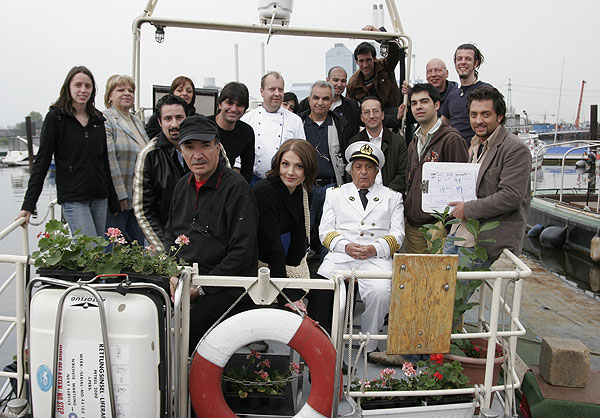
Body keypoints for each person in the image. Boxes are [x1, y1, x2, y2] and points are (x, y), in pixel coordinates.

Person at [165, 114, 259, 354]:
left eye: (205, 146)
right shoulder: (182, 185)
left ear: (218, 148)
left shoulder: (237, 189)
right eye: (189, 147)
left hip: (226, 285)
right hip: (186, 280)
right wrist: (172, 275)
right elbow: (170, 236)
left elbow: (242, 254)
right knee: (148, 310)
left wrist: (200, 289)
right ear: (181, 151)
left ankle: (190, 375)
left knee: (191, 327)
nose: (197, 155)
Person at [318, 141, 405, 355]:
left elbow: (398, 235)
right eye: (358, 167)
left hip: (375, 258)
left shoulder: (392, 197)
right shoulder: (335, 194)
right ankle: (324, 342)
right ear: (351, 170)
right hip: (341, 256)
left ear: (377, 171)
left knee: (381, 293)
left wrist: (374, 249)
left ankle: (369, 345)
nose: (363, 172)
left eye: (369, 167)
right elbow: (325, 231)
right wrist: (346, 246)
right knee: (322, 288)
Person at [17, 66, 114, 237]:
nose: (83, 90)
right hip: (74, 196)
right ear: (68, 87)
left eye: (88, 86)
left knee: (99, 248)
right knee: (89, 247)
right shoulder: (56, 117)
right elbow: (42, 162)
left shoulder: (98, 119)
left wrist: (113, 199)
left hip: (99, 195)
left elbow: (104, 161)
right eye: (78, 85)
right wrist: (28, 204)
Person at [445, 86, 531, 268]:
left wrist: (467, 209)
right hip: (457, 234)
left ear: (499, 116)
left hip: (483, 244)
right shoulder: (475, 145)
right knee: (443, 285)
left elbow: (511, 196)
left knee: (461, 288)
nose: (478, 120)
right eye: (473, 114)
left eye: (485, 114)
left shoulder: (515, 148)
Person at [253, 140, 318, 311]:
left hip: (282, 266)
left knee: (323, 293)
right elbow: (272, 245)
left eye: (299, 166)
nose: (290, 172)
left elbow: (299, 236)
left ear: (308, 169)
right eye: (285, 164)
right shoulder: (264, 192)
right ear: (278, 164)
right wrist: (284, 294)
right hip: (257, 265)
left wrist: (296, 280)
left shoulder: (302, 190)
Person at [404, 83, 468, 253]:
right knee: (415, 269)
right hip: (413, 225)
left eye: (424, 101)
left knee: (439, 269)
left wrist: (445, 224)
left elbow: (462, 186)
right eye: (414, 103)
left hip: (438, 226)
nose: (418, 107)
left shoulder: (451, 139)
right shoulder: (414, 141)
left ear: (437, 105)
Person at [299, 80, 352, 259]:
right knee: (304, 229)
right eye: (316, 98)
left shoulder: (341, 124)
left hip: (332, 186)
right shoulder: (299, 123)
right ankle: (301, 268)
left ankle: (327, 268)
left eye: (325, 99)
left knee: (330, 232)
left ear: (331, 101)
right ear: (309, 100)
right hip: (306, 186)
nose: (320, 102)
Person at [133, 94, 189, 251]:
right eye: (168, 119)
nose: (174, 124)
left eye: (179, 117)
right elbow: (143, 209)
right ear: (159, 122)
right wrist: (165, 249)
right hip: (165, 237)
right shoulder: (148, 155)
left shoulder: (206, 147)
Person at [103, 74, 149, 245]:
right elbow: (109, 159)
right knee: (114, 246)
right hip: (118, 200)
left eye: (130, 90)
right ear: (109, 95)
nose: (127, 93)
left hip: (138, 199)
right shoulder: (106, 119)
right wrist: (120, 195)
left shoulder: (136, 121)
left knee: (138, 246)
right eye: (120, 90)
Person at [241, 72, 306, 185]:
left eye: (280, 90)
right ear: (262, 91)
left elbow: (302, 153)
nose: (277, 93)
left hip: (285, 182)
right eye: (272, 89)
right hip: (253, 181)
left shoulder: (295, 120)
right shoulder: (247, 119)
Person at [347, 25, 405, 129]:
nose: (365, 65)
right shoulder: (353, 83)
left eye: (368, 60)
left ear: (374, 59)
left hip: (393, 113)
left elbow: (395, 50)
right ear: (356, 62)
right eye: (361, 61)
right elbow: (350, 109)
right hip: (371, 120)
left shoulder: (385, 66)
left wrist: (380, 34)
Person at [347, 96, 408, 194]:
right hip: (362, 196)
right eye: (367, 112)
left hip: (391, 196)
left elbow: (403, 173)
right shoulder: (354, 143)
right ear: (361, 117)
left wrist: (385, 194)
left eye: (375, 111)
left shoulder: (398, 141)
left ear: (382, 115)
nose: (371, 116)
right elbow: (350, 175)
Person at [441, 44, 492, 143]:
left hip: (478, 150)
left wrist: (474, 147)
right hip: (454, 149)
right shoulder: (451, 96)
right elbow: (442, 126)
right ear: (455, 63)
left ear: (476, 63)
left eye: (468, 59)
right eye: (459, 59)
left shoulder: (486, 91)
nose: (463, 62)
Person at [208, 82, 254, 183]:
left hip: (225, 183)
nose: (233, 109)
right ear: (219, 104)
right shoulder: (205, 126)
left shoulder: (246, 132)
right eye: (230, 103)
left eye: (239, 105)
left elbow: (247, 170)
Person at [297, 66, 360, 136]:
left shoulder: (352, 105)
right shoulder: (305, 104)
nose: (339, 84)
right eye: (336, 80)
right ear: (327, 80)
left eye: (343, 81)